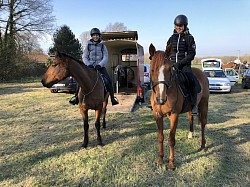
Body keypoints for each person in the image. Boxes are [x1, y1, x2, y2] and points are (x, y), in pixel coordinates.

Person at [69, 28, 119, 106]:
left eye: (97, 35)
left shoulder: (103, 46)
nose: (95, 37)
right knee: (80, 81)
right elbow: (84, 56)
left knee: (108, 81)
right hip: (90, 67)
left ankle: (113, 98)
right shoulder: (88, 45)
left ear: (99, 36)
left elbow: (105, 57)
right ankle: (76, 98)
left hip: (100, 67)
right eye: (94, 35)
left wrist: (100, 64)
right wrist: (88, 64)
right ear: (91, 36)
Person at [166, 15, 198, 115]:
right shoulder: (171, 39)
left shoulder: (189, 38)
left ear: (185, 26)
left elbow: (191, 54)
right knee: (162, 80)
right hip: (172, 66)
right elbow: (167, 53)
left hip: (184, 66)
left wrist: (179, 64)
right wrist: (169, 63)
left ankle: (193, 106)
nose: (178, 27)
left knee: (192, 82)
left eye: (180, 25)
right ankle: (160, 102)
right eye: (176, 25)